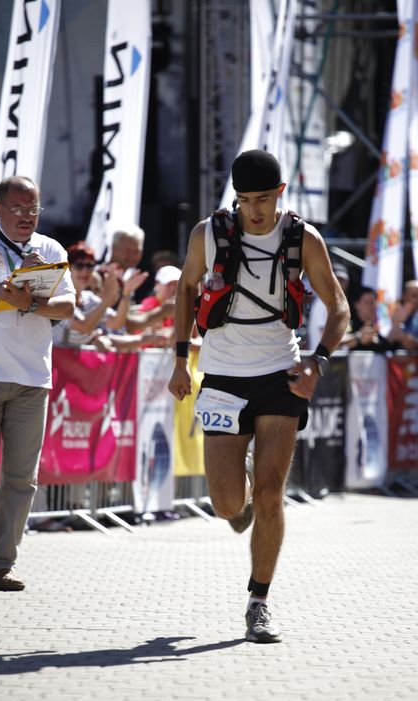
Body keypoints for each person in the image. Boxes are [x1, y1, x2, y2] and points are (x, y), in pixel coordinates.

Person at [168, 149, 349, 643]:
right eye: (245, 200)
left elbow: (338, 306)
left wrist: (318, 361)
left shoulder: (302, 237)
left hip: (280, 373)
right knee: (228, 505)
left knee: (272, 495)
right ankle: (243, 484)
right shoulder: (208, 234)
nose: (255, 210)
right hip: (223, 375)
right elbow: (185, 289)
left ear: (280, 193)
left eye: (264, 199)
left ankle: (259, 603)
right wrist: (180, 360)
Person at [0, 176, 75, 591]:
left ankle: (1, 563)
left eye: (33, 209)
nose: (27, 217)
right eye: (19, 209)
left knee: (21, 478)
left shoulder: (50, 249)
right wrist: (7, 291)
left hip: (31, 379)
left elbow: (68, 306)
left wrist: (33, 302)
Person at [52, 241, 146, 348]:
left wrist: (126, 292)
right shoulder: (58, 297)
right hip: (54, 358)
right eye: (79, 265)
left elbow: (116, 323)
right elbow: (84, 327)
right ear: (68, 269)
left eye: (90, 266)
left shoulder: (89, 298)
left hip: (73, 358)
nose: (85, 271)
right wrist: (106, 300)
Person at [341, 285, 404, 352]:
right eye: (367, 302)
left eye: (373, 302)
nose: (371, 306)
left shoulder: (373, 327)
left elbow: (385, 347)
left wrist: (396, 324)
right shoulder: (347, 326)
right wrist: (358, 338)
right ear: (356, 304)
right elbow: (339, 344)